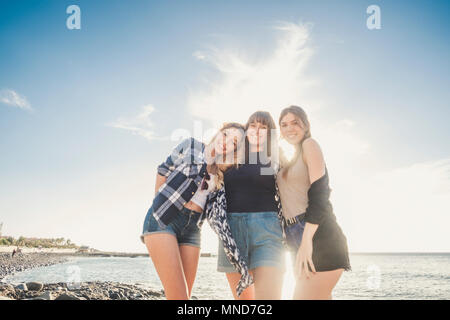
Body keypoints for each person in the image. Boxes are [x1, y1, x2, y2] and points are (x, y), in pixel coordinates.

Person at [140, 122, 245, 300]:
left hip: (193, 229)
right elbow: (163, 170)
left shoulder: (222, 172)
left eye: (234, 142)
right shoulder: (191, 145)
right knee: (178, 298)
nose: (226, 142)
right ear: (219, 132)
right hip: (164, 220)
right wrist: (159, 204)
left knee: (185, 298)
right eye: (226, 134)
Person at [276, 105, 351, 300]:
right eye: (284, 125)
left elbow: (321, 193)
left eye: (295, 122)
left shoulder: (310, 144)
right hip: (294, 236)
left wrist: (307, 241)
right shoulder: (290, 160)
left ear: (306, 125)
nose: (289, 128)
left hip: (318, 236)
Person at [210, 111, 285, 300]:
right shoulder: (231, 153)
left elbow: (294, 183)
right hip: (232, 230)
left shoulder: (276, 156)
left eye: (263, 128)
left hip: (267, 229)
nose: (257, 131)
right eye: (253, 125)